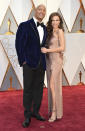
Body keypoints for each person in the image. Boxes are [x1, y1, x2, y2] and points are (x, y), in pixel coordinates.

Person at [15, 4, 47, 128]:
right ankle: (27, 116)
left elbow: (44, 45)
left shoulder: (44, 28)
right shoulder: (24, 25)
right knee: (28, 90)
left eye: (44, 10)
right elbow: (19, 43)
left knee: (39, 89)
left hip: (41, 63)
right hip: (28, 63)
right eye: (40, 9)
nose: (42, 11)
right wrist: (22, 60)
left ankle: (36, 112)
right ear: (35, 11)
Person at [41, 12, 65, 122]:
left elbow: (62, 48)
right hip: (48, 60)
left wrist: (48, 50)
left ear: (60, 21)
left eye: (57, 20)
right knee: (52, 86)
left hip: (57, 60)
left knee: (52, 84)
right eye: (53, 20)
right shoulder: (48, 31)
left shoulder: (60, 31)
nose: (55, 22)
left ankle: (55, 111)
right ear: (51, 21)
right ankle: (52, 109)